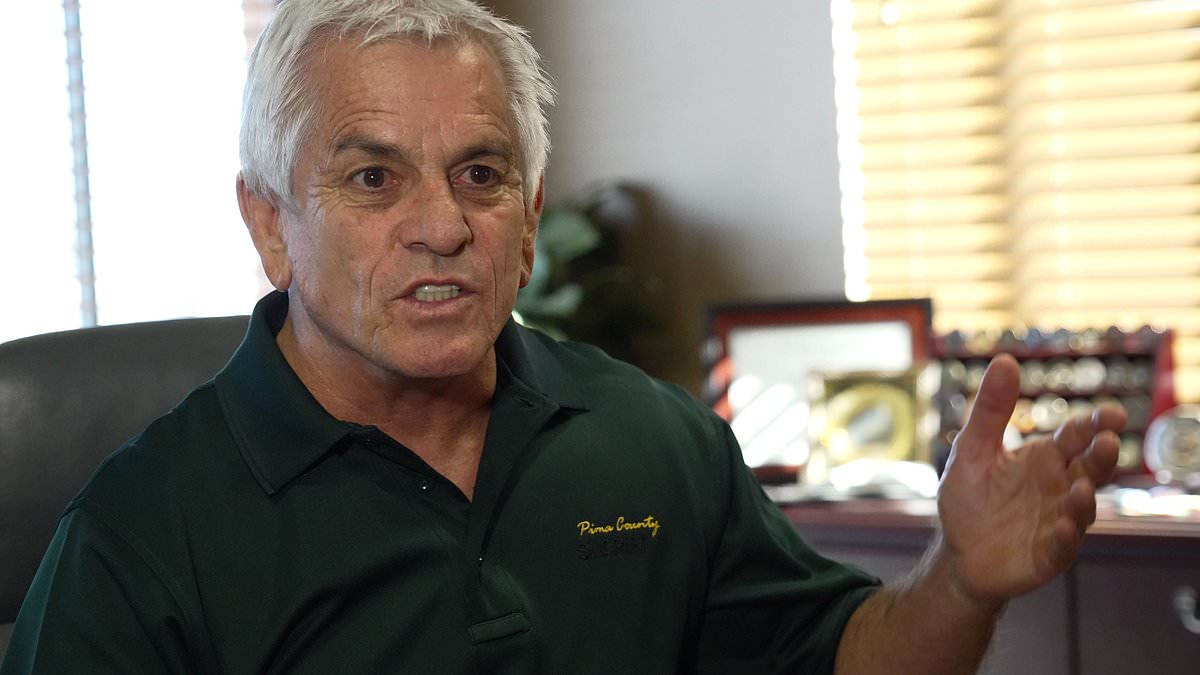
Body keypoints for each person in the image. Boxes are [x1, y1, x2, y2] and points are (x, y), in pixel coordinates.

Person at [1, 1, 1125, 673]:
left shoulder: (651, 438)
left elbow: (842, 657)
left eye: (481, 174)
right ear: (269, 225)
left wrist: (962, 581)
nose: (442, 226)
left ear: (530, 218)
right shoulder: (142, 533)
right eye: (374, 178)